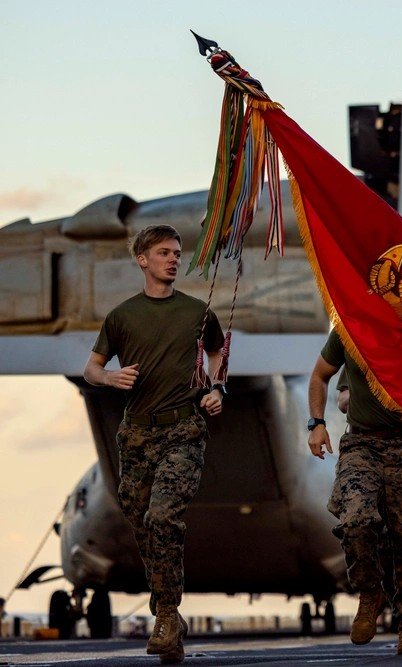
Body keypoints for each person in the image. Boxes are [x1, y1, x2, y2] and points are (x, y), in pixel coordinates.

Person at [83, 225, 225, 665]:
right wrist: (109, 377)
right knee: (141, 519)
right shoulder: (122, 317)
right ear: (142, 260)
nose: (173, 259)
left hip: (184, 430)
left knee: (164, 517)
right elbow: (91, 368)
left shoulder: (198, 312)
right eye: (164, 253)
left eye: (177, 253)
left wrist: (217, 387)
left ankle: (166, 614)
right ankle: (168, 605)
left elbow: (218, 352)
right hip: (136, 434)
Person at [307, 329, 402, 655]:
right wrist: (316, 423)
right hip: (362, 444)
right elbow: (320, 375)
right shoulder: (352, 325)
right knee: (356, 518)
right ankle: (370, 593)